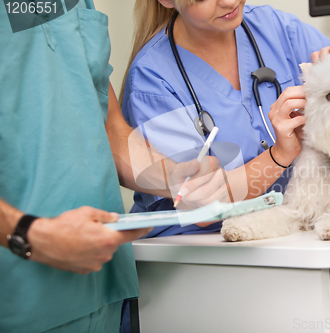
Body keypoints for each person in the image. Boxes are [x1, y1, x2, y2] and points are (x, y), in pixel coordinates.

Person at [0, 0, 222, 332]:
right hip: (19, 291)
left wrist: (175, 179)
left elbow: (109, 128)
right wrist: (29, 234)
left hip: (99, 289)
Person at [119, 0, 330, 237]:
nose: (229, 2)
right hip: (194, 248)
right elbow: (200, 203)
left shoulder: (274, 27)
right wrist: (279, 155)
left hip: (288, 232)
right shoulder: (152, 78)